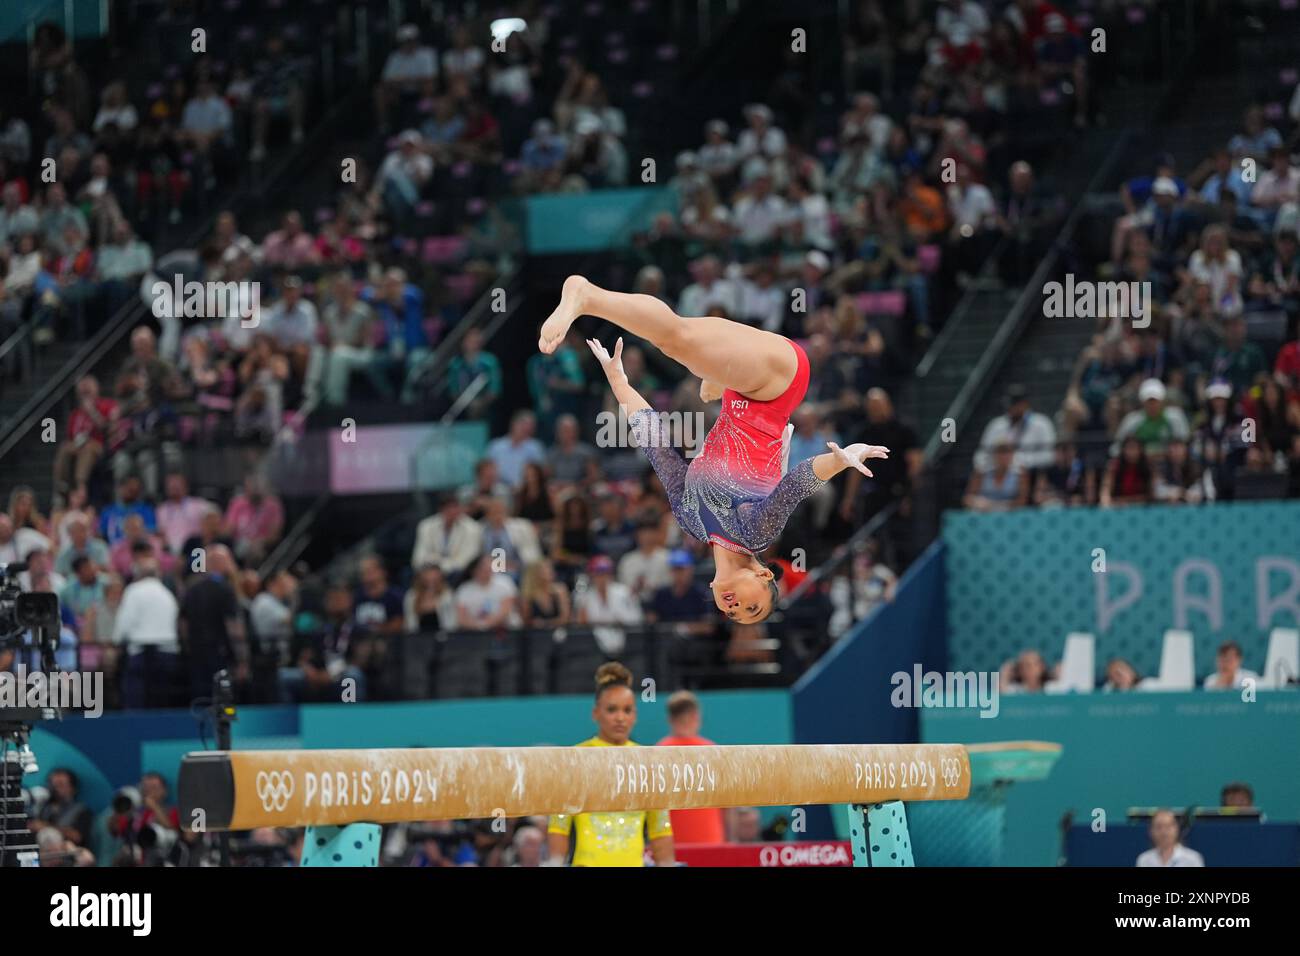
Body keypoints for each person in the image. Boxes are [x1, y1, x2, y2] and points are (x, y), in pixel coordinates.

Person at [540, 275, 887, 624]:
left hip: (740, 391)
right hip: (777, 386)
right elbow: (795, 484)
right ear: (764, 575)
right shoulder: (755, 533)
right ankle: (586, 296)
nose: (735, 609)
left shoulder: (692, 522)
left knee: (680, 343)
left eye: (735, 615)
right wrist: (840, 461)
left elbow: (658, 449)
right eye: (754, 607)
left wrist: (619, 384)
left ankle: (715, 376)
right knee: (677, 341)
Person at [546, 662, 675, 867]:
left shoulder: (648, 761)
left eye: (627, 710)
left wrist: (667, 863)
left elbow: (660, 828)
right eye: (612, 710)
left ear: (635, 715)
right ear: (596, 713)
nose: (620, 718)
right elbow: (559, 825)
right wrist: (553, 863)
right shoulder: (575, 758)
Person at [655, 692, 726, 845]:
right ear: (697, 718)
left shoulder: (660, 751)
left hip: (672, 843)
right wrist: (733, 841)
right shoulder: (712, 751)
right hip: (708, 839)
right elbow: (728, 805)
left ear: (670, 720)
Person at [1136, 810, 1204, 867]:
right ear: (1151, 831)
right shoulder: (1144, 860)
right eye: (1159, 827)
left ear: (1177, 829)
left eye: (1168, 826)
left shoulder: (1192, 859)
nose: (1164, 832)